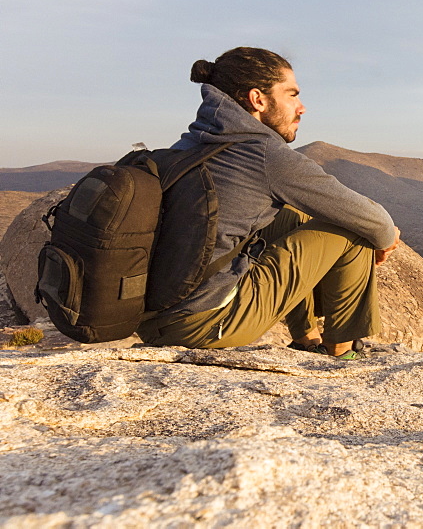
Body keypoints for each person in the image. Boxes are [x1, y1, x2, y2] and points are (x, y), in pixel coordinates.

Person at [136, 46, 400, 359]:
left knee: (287, 219)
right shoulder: (265, 155)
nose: (301, 108)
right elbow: (374, 221)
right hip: (205, 323)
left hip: (153, 319)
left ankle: (306, 337)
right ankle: (341, 352)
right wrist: (383, 241)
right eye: (292, 94)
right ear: (258, 99)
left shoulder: (193, 143)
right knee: (353, 229)